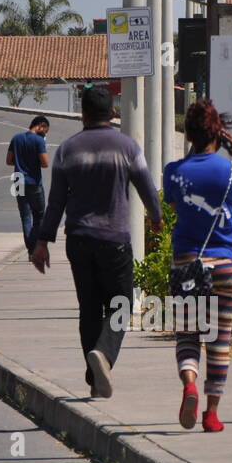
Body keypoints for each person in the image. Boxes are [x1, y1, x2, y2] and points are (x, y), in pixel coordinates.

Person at [30, 84, 162, 400]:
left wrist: (42, 242)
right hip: (114, 240)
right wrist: (157, 218)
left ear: (83, 114)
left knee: (89, 309)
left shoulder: (67, 150)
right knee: (122, 304)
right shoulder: (127, 147)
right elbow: (146, 186)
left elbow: (56, 200)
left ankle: (94, 378)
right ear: (113, 112)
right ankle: (103, 355)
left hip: (78, 239)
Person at [163, 100, 232, 433]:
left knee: (188, 334)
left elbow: (173, 203)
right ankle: (212, 414)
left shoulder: (174, 171)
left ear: (188, 134)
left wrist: (192, 154)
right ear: (218, 132)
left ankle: (189, 385)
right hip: (227, 265)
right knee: (220, 339)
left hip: (189, 263)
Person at [7, 117, 51, 255]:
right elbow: (45, 163)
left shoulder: (16, 138)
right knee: (39, 216)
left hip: (18, 180)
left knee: (25, 216)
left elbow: (9, 161)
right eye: (46, 131)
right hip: (33, 181)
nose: (45, 134)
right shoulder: (38, 141)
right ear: (41, 126)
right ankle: (35, 247)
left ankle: (31, 250)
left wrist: (21, 161)